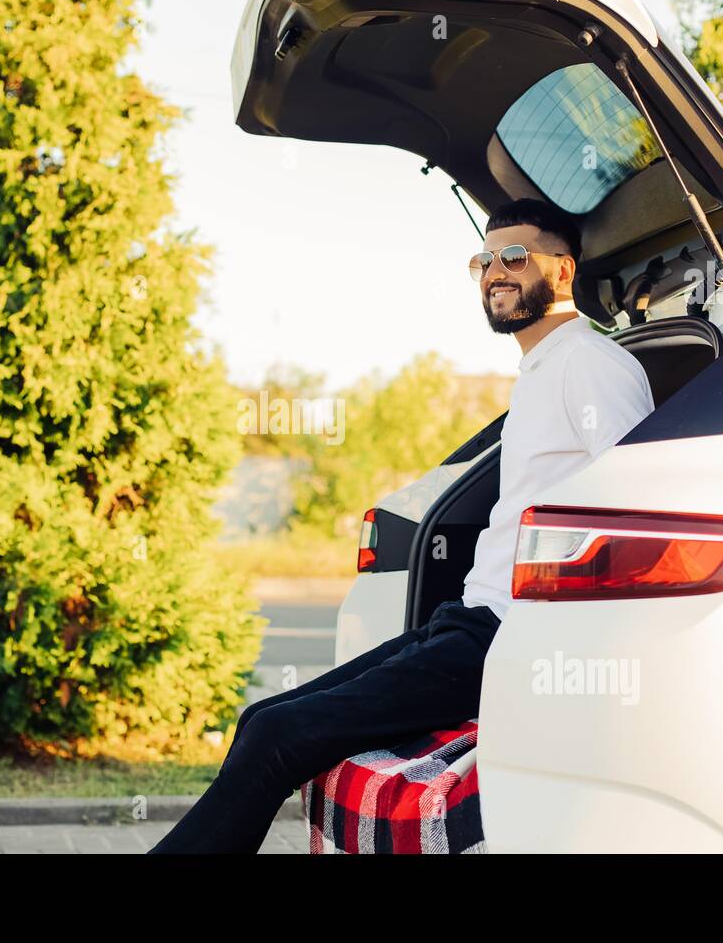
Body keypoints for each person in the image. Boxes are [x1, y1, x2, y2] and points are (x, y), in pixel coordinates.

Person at [147, 198, 655, 854]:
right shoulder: (540, 371)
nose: (494, 272)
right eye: (484, 260)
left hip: (513, 638)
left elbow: (637, 502)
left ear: (561, 273)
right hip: (471, 618)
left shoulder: (591, 365)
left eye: (514, 257)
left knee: (279, 740)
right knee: (260, 721)